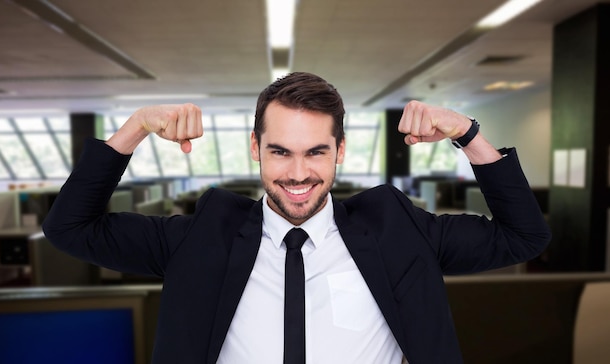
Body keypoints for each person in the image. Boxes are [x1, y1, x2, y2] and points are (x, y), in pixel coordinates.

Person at [42, 72, 551, 364]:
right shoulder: (203, 236)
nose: (299, 173)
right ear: (255, 149)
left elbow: (524, 236)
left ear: (341, 151)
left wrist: (469, 135)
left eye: (316, 152)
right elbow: (70, 227)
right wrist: (133, 129)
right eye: (280, 151)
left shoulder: (396, 228)